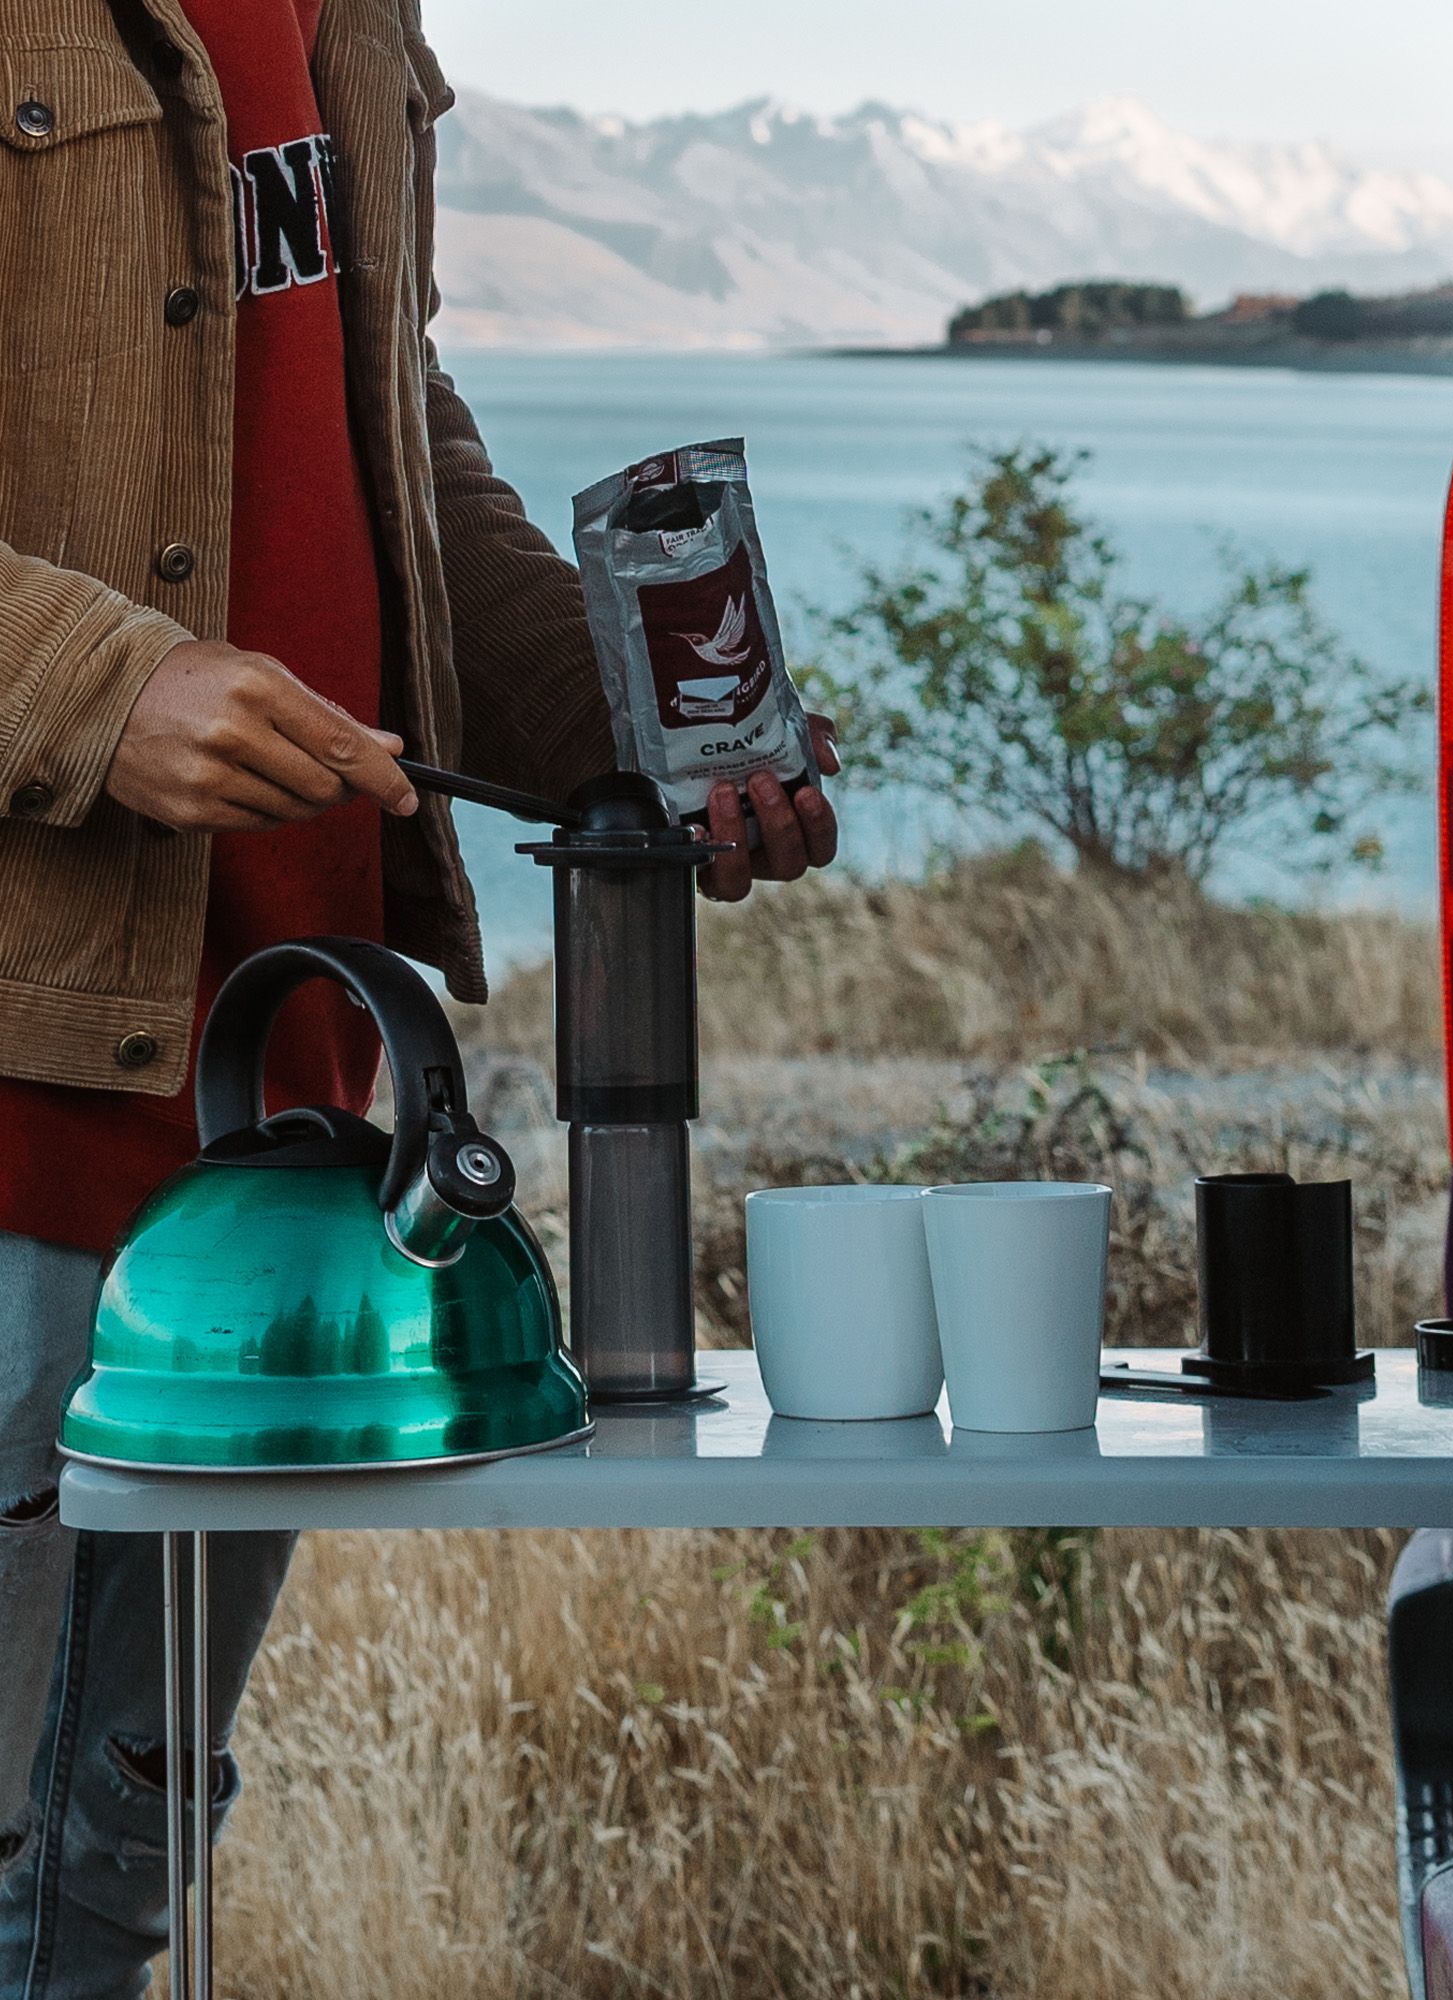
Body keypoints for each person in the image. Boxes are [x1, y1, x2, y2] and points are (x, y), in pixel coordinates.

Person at [0, 4, 839, 1990]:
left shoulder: (343, 14)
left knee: (111, 1880)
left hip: (281, 1116)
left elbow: (395, 442)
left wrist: (630, 730)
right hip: (21, 1085)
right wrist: (95, 690)